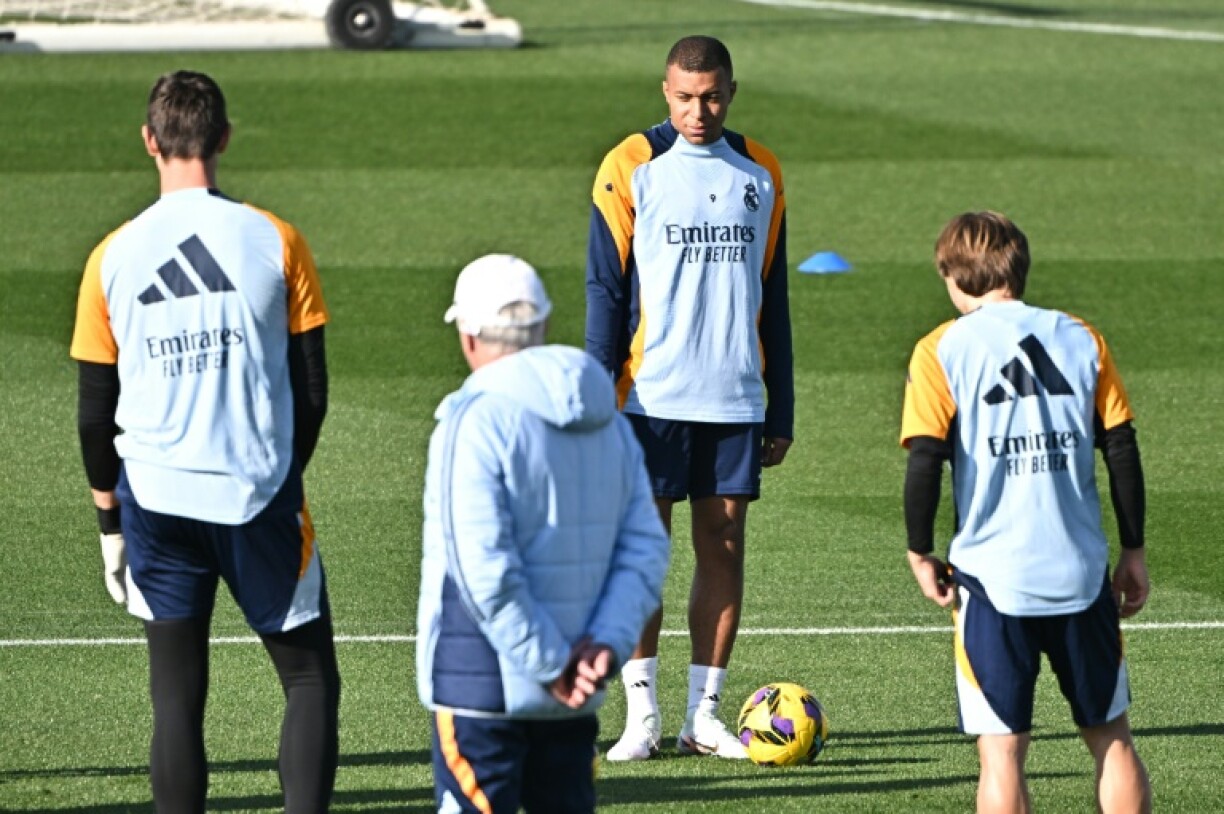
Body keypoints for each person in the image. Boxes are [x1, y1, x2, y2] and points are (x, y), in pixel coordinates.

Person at [70, 70, 340, 814]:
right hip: (256, 495)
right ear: (223, 138)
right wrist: (279, 475)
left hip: (155, 499)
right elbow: (311, 389)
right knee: (309, 680)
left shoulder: (111, 257)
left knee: (176, 698)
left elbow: (97, 412)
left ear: (150, 142)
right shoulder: (275, 239)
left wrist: (108, 524)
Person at [584, 34, 794, 761]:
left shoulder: (760, 170)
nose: (697, 111)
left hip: (735, 397)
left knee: (724, 546)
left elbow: (775, 298)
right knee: (643, 553)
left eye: (709, 97)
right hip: (647, 398)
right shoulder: (629, 165)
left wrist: (782, 406)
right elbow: (604, 289)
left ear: (731, 91)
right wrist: (595, 394)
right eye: (683, 97)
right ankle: (640, 716)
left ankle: (702, 716)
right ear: (664, 91)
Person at [900, 211, 1152, 813]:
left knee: (1003, 751)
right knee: (1112, 739)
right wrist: (1133, 550)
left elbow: (925, 462)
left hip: (993, 580)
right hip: (1081, 572)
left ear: (952, 276)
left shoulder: (942, 348)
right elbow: (1120, 447)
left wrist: (919, 549)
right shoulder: (1079, 336)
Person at [417, 254, 670, 812]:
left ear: (469, 334)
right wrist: (604, 644)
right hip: (575, 695)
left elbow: (482, 571)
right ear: (543, 327)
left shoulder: (473, 419)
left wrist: (553, 662)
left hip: (482, 687)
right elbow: (645, 550)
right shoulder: (605, 418)